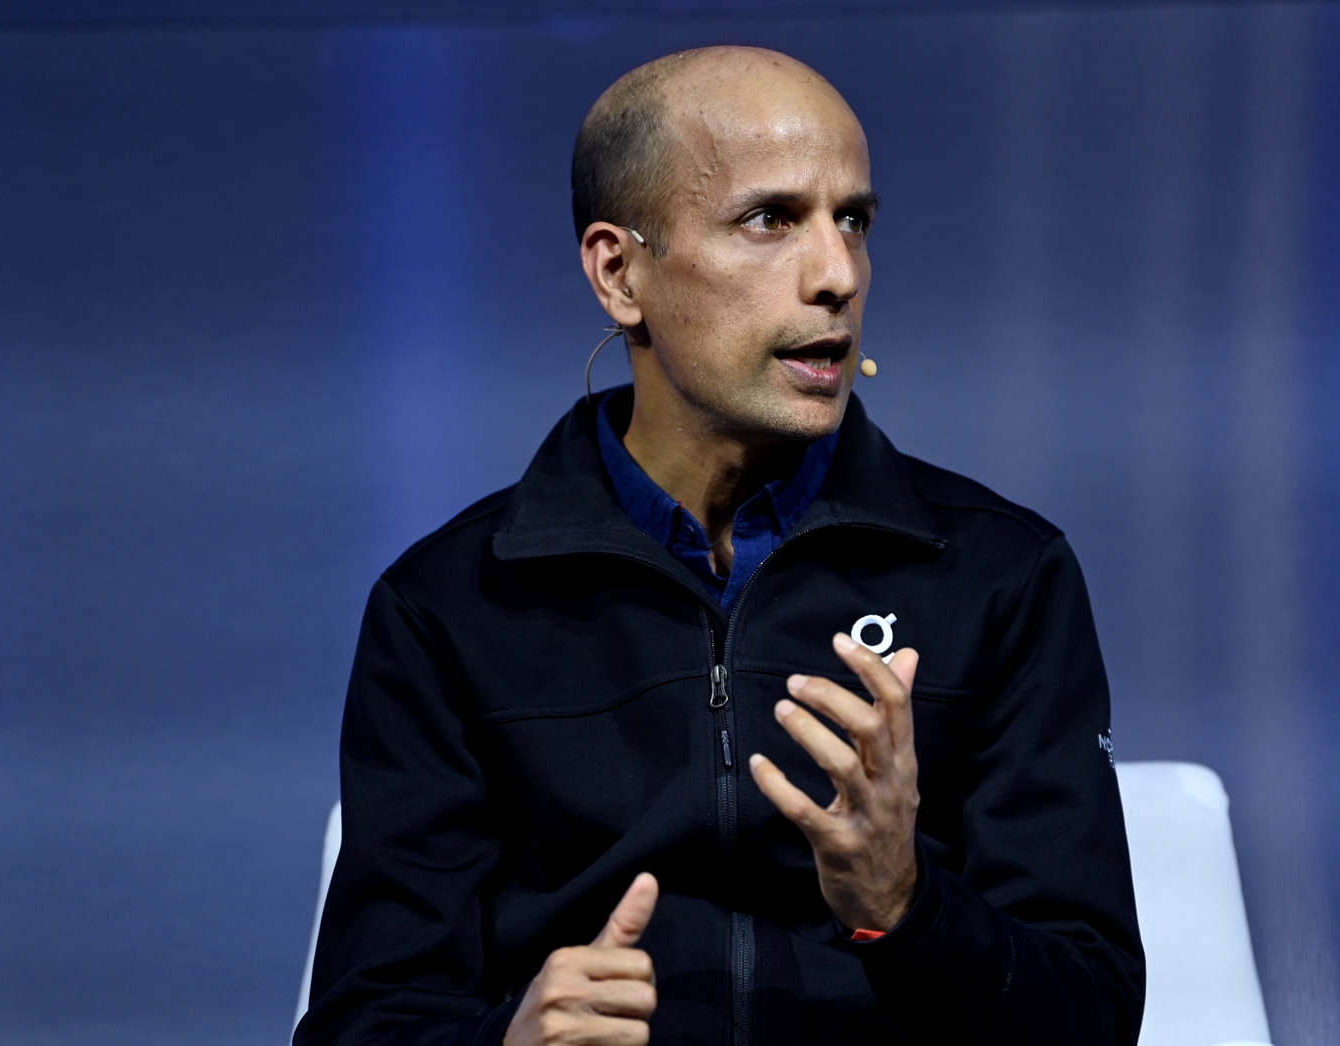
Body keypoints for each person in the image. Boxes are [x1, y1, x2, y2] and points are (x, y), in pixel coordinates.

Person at [296, 45, 1143, 1046]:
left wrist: (902, 904)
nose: (837, 275)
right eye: (771, 220)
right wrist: (506, 1041)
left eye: (854, 221)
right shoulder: (450, 604)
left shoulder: (999, 574)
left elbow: (1086, 1017)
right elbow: (368, 1019)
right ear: (621, 272)